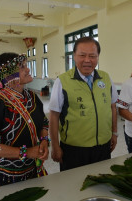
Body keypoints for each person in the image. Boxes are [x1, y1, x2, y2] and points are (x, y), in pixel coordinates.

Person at [0, 53, 49, 189]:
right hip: (5, 177)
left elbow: (44, 122)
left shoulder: (32, 97)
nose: (27, 69)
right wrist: (27, 152)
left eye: (25, 66)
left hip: (32, 171)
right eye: (22, 67)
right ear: (8, 76)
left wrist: (44, 141)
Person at [49, 37, 118, 171]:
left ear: (98, 57)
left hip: (102, 146)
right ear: (74, 56)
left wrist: (114, 133)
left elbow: (113, 107)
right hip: (74, 149)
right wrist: (55, 146)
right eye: (82, 55)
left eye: (92, 56)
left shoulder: (106, 78)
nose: (87, 60)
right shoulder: (63, 81)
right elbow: (54, 116)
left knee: (101, 180)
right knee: (73, 186)